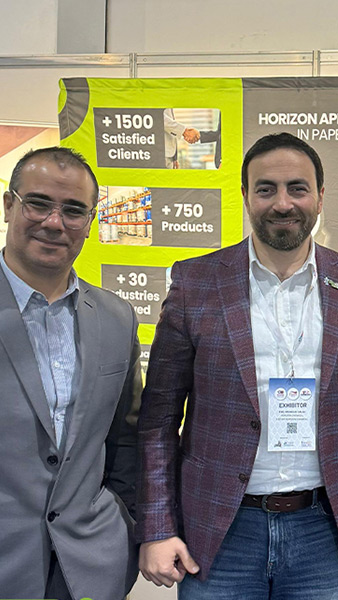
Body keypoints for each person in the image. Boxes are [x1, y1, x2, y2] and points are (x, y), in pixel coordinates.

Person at [137, 132, 338, 599]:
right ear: (245, 196)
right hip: (220, 528)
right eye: (266, 189)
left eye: (297, 188)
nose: (283, 203)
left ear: (320, 196)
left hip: (323, 530)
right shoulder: (196, 282)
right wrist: (157, 525)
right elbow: (159, 417)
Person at [0, 147, 141, 600]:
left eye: (74, 210)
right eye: (38, 203)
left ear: (91, 221)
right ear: (9, 205)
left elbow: (125, 439)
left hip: (89, 568)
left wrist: (124, 522)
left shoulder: (117, 318)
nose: (54, 222)